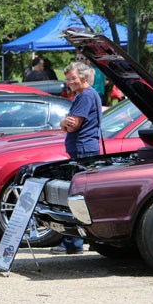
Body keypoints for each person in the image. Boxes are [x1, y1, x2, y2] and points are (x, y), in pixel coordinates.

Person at [51, 61, 102, 255]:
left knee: (76, 197)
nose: (70, 82)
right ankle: (85, 240)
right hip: (84, 149)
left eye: (73, 78)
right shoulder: (86, 95)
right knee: (83, 198)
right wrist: (65, 123)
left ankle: (73, 243)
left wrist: (64, 123)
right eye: (68, 79)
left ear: (83, 77)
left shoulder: (85, 96)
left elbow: (72, 125)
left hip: (83, 150)